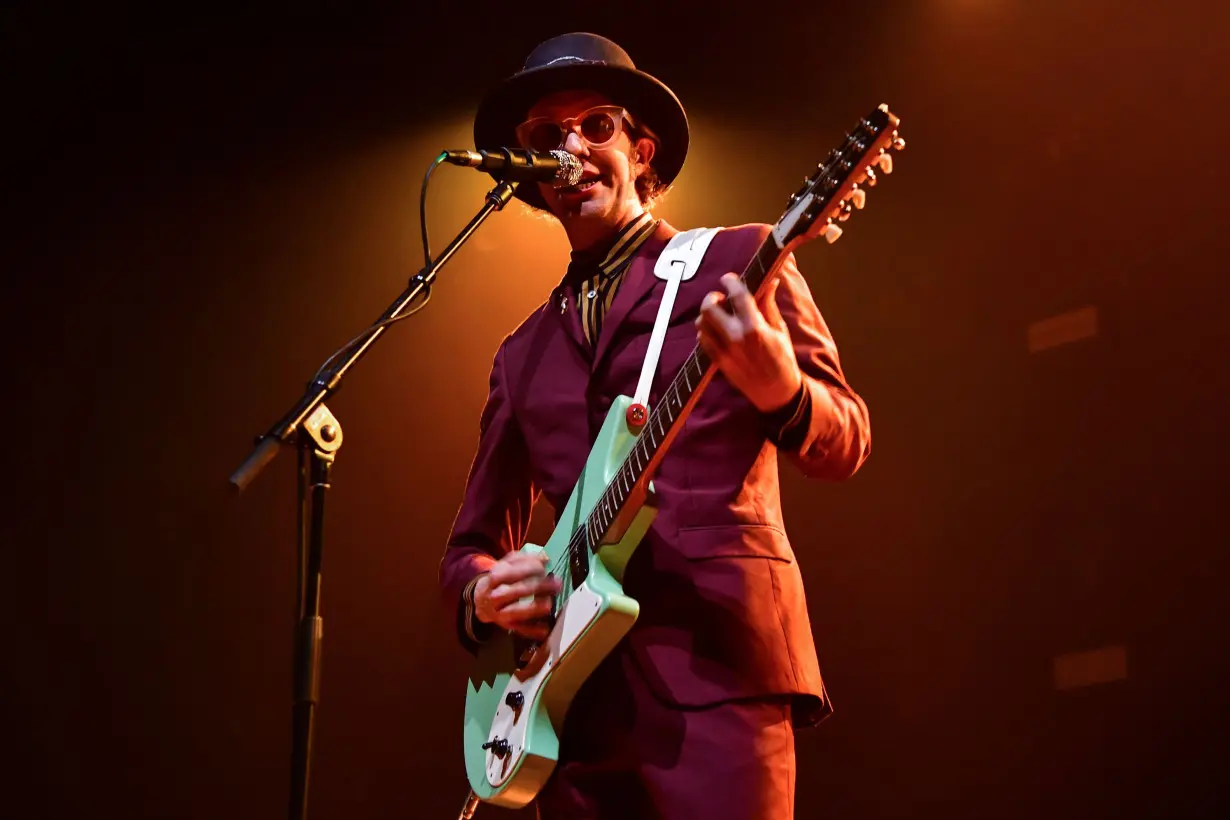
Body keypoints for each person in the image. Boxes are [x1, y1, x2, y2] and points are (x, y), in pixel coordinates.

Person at [438, 32, 871, 819]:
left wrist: (781, 389)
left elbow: (846, 438)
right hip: (568, 711)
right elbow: (472, 546)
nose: (569, 146)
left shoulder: (739, 260)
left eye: (594, 126)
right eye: (546, 135)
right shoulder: (521, 354)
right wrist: (486, 595)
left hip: (719, 678)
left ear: (641, 152)